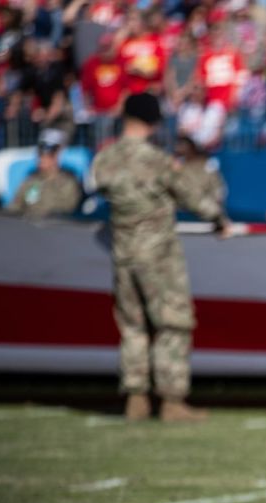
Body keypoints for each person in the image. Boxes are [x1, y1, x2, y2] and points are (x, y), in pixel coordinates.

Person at [91, 94, 229, 423]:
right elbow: (189, 194)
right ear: (152, 122)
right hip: (158, 252)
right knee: (173, 322)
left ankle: (135, 399)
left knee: (133, 325)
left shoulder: (104, 160)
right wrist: (218, 218)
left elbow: (102, 187)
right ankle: (171, 401)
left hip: (123, 252)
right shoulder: (156, 160)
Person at [9, 129, 83, 218]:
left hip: (54, 227)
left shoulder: (68, 182)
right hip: (27, 226)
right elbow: (15, 205)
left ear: (57, 156)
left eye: (49, 154)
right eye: (40, 154)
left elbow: (68, 208)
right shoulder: (31, 180)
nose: (42, 158)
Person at [173, 135, 227, 208]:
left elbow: (217, 186)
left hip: (205, 206)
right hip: (184, 206)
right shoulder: (178, 165)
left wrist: (216, 201)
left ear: (192, 148)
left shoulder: (207, 164)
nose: (180, 148)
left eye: (184, 146)